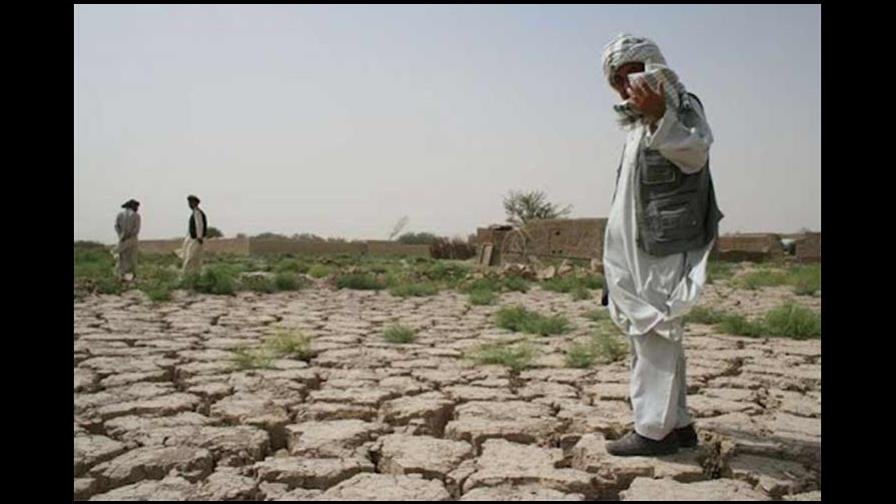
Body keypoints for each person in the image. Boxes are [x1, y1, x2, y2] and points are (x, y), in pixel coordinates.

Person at [600, 34, 723, 456]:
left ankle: (654, 431)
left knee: (655, 327)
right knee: (652, 332)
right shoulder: (636, 124)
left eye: (632, 74)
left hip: (662, 247)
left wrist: (659, 116)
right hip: (636, 249)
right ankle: (679, 424)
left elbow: (695, 153)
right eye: (617, 79)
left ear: (652, 70)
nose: (625, 85)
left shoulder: (681, 108)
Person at [113, 199, 141, 281]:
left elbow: (136, 229)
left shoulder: (136, 216)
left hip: (131, 239)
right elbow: (116, 226)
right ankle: (121, 274)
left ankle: (132, 275)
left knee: (131, 257)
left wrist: (127, 235)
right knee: (122, 257)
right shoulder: (120, 215)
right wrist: (120, 235)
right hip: (124, 239)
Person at [180, 195, 207, 275]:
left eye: (191, 203)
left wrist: (199, 237)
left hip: (196, 240)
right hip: (195, 239)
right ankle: (194, 274)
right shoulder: (195, 212)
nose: (189, 205)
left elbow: (199, 224)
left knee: (191, 258)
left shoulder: (197, 212)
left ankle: (187, 275)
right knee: (195, 258)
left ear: (195, 203)